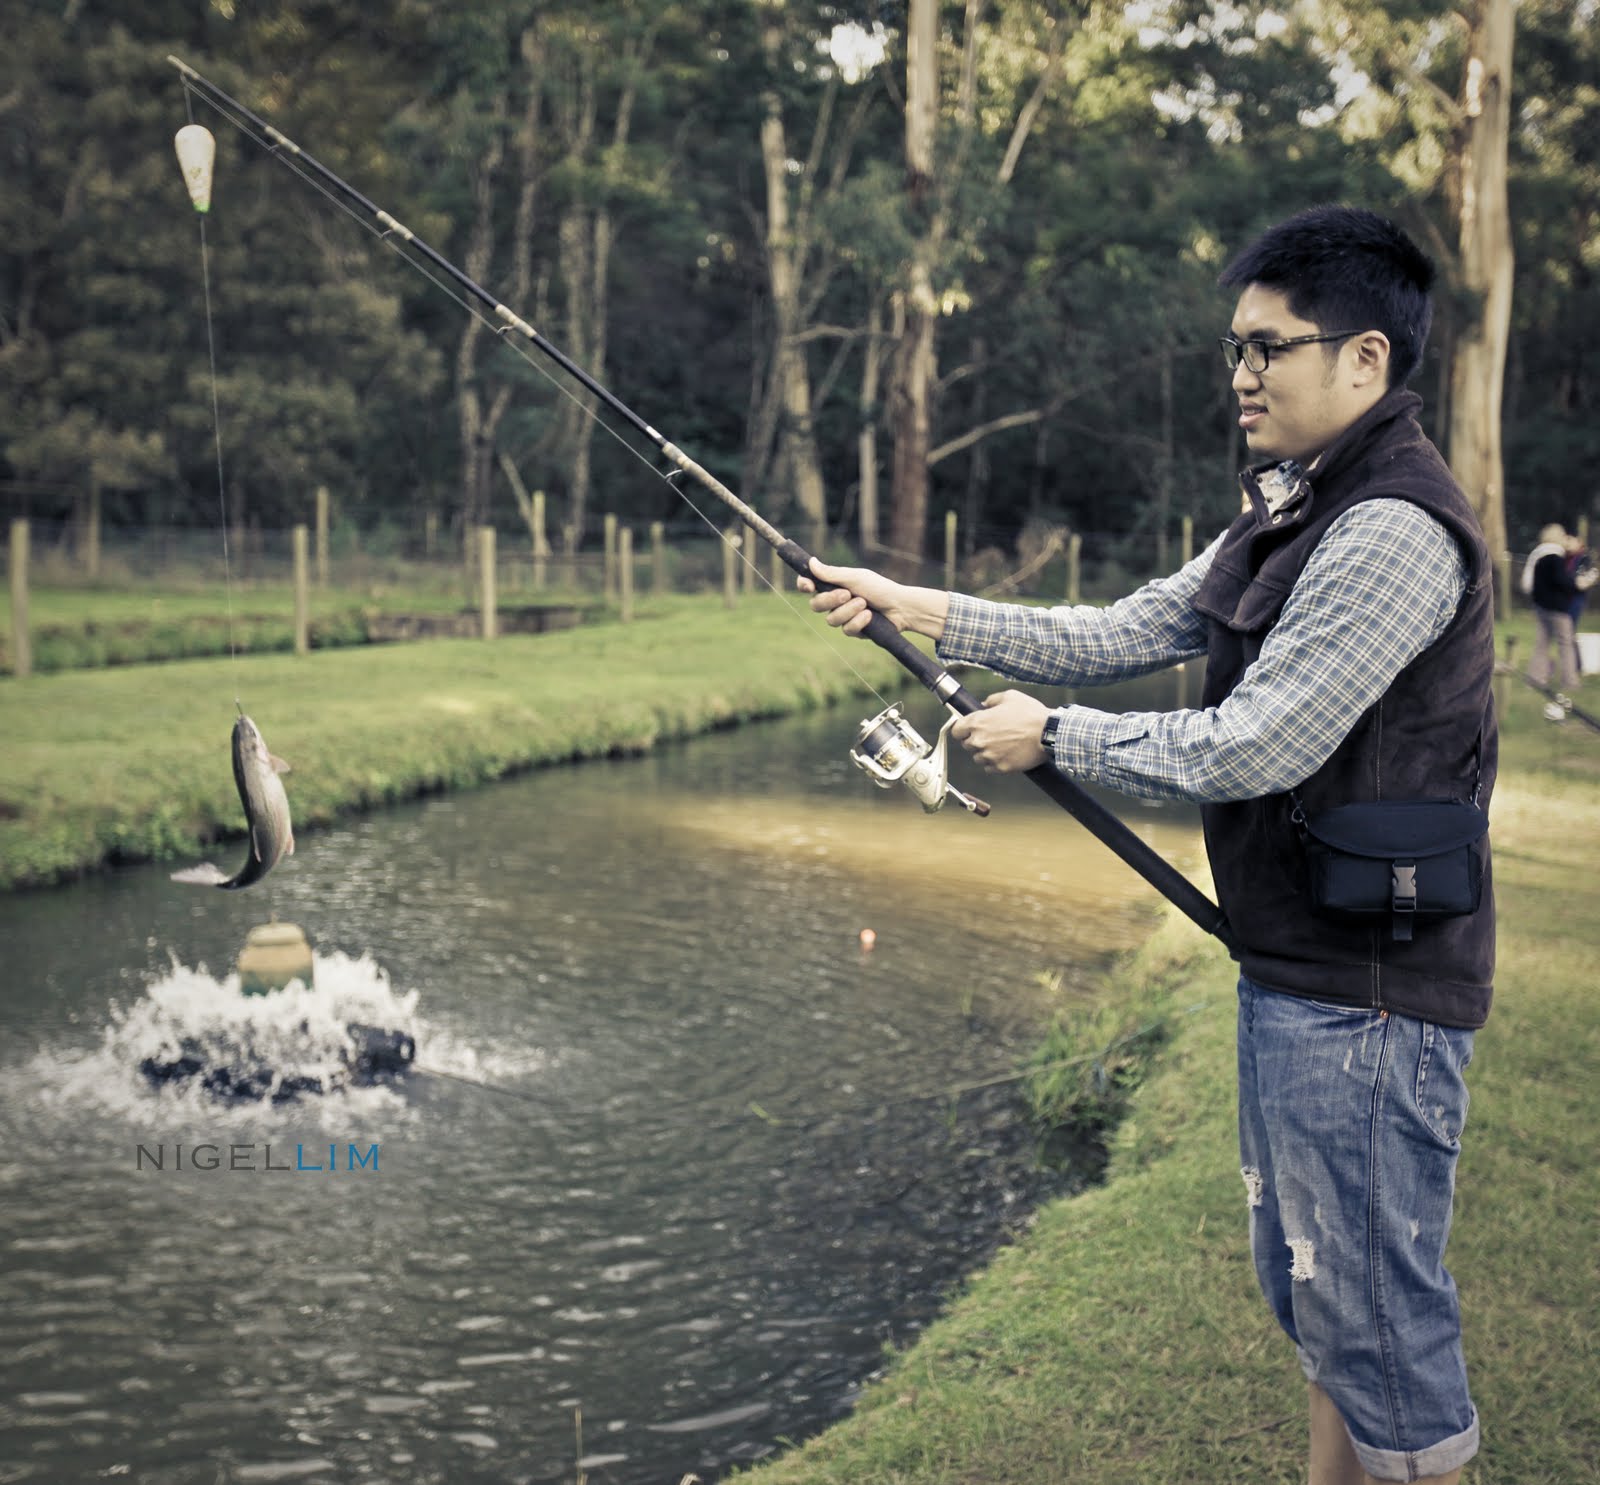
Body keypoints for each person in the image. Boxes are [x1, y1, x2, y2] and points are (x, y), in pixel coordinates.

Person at [802, 205, 1493, 1485]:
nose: (1241, 373)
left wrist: (1058, 740)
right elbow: (1135, 626)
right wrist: (922, 610)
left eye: (1269, 346)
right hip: (1304, 969)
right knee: (1323, 1307)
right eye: (1233, 346)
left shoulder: (1392, 529)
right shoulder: (1296, 509)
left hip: (1372, 1000)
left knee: (1381, 1331)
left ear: (1364, 363)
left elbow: (1254, 745)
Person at [1522, 522, 1594, 715]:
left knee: (1542, 643)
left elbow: (1535, 585)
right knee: (1566, 644)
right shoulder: (1555, 557)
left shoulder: (1539, 556)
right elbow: (1562, 581)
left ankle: (1536, 679)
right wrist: (1578, 584)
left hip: (1541, 608)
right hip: (1557, 609)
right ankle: (1570, 681)